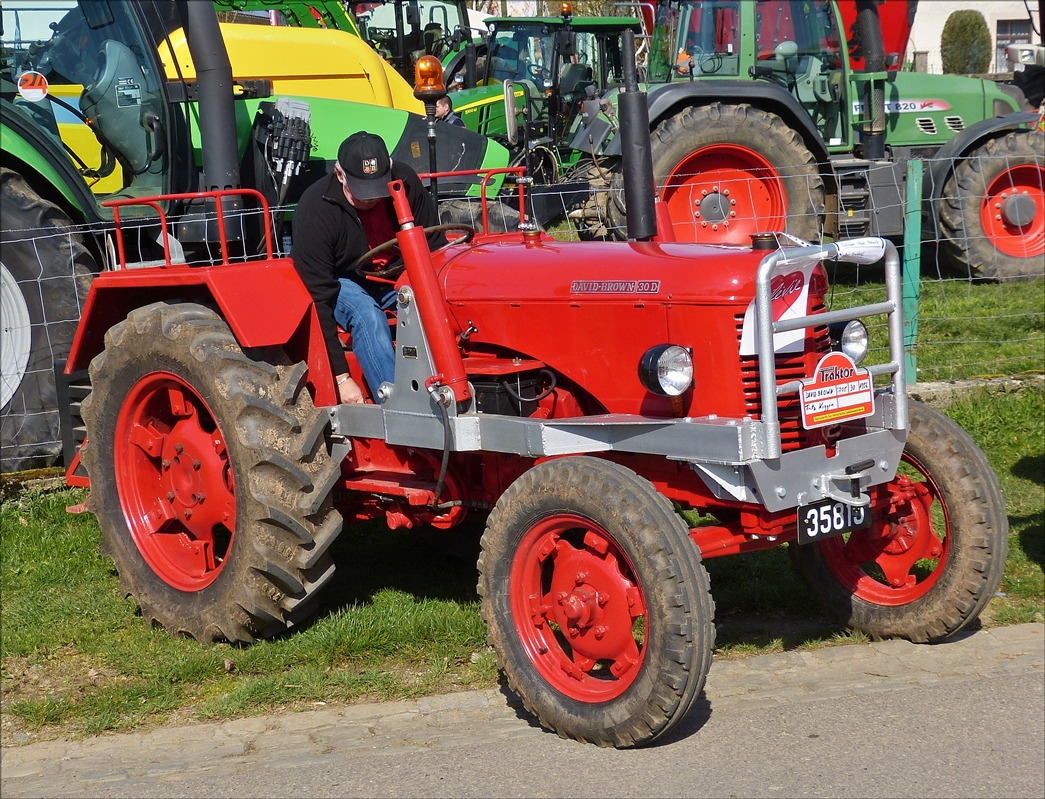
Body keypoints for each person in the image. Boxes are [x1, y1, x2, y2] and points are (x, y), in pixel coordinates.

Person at [291, 131, 441, 404]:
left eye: (376, 190)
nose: (370, 199)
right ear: (339, 175)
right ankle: (398, 405)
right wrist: (341, 378)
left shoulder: (406, 183)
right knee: (367, 315)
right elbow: (318, 297)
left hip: (395, 274)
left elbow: (435, 246)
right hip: (344, 280)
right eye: (361, 192)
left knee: (436, 302)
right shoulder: (316, 209)